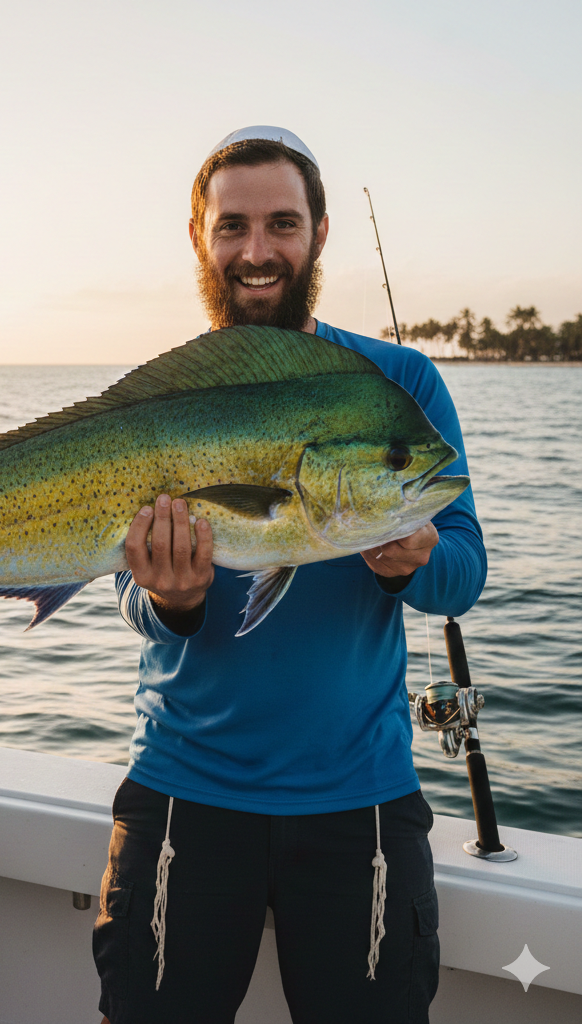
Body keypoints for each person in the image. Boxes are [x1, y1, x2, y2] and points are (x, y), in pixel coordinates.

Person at [92, 127, 486, 1024]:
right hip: (183, 796)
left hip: (363, 809)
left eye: (282, 223)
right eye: (233, 227)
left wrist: (415, 563)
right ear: (200, 236)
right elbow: (124, 581)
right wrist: (169, 598)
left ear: (319, 233)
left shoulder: (399, 382)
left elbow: (462, 574)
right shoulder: (169, 393)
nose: (257, 251)